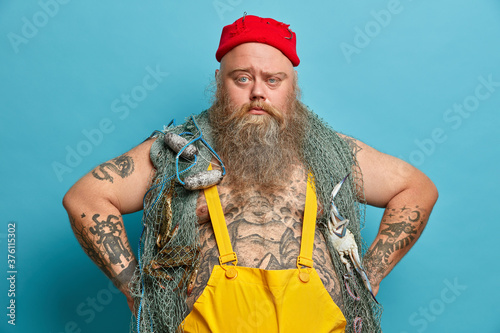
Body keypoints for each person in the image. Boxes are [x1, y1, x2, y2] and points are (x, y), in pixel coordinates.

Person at [63, 14, 438, 333]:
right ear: (219, 80)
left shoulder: (332, 151)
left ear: (292, 86)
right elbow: (85, 198)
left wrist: (367, 276)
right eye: (242, 78)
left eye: (273, 80)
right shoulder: (179, 150)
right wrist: (134, 289)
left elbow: (416, 189)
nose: (258, 92)